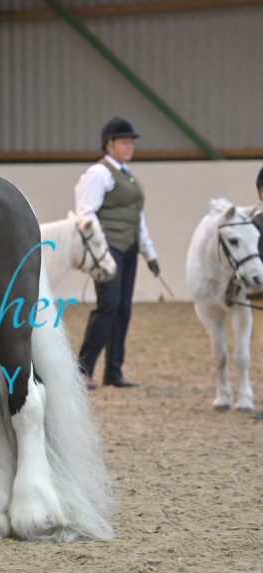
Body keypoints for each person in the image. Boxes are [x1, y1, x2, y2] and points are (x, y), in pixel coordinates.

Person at [76, 116, 159, 389]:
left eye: (131, 142)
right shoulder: (99, 174)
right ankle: (83, 370)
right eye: (124, 142)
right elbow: (86, 213)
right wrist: (97, 248)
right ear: (109, 144)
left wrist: (149, 253)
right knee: (108, 306)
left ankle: (113, 371)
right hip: (108, 249)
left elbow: (137, 217)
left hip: (129, 248)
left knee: (123, 309)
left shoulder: (128, 175)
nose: (129, 146)